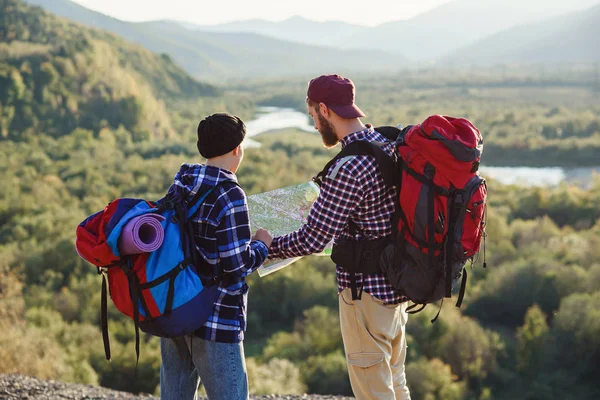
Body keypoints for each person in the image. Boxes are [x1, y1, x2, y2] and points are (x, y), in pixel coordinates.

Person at [268, 74, 411, 400]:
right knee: (395, 381)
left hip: (365, 296)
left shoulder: (348, 167)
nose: (315, 124)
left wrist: (265, 246)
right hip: (397, 286)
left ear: (323, 109)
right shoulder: (387, 143)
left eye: (313, 116)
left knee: (373, 391)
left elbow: (312, 240)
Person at [160, 113, 273, 400]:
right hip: (216, 318)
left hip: (176, 310)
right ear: (237, 149)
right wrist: (261, 244)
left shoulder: (183, 182)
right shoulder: (231, 194)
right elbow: (236, 265)